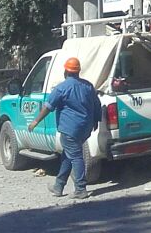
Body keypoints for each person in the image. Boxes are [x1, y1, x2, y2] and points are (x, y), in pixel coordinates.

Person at [27, 57, 102, 200]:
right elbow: (97, 104)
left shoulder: (62, 88)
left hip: (70, 129)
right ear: (78, 71)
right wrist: (97, 120)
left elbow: (48, 107)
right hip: (85, 128)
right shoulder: (88, 86)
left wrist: (35, 121)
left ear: (66, 71)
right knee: (68, 155)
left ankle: (80, 189)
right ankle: (59, 185)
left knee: (75, 156)